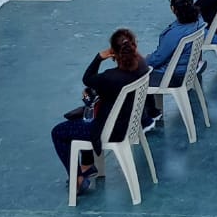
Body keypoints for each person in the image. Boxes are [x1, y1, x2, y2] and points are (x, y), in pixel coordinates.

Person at [50, 28, 147, 195]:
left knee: (59, 132)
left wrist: (99, 57)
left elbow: (87, 79)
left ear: (113, 53)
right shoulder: (143, 66)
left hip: (110, 130)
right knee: (84, 119)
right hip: (130, 122)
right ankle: (87, 165)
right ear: (134, 46)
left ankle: (78, 177)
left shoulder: (110, 77)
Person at [142, 0, 206, 126]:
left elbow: (158, 59)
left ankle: (148, 118)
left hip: (173, 75)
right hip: (188, 70)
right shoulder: (199, 21)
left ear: (173, 9)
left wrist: (142, 62)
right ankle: (154, 112)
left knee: (138, 77)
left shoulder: (175, 33)